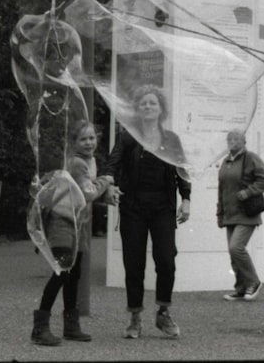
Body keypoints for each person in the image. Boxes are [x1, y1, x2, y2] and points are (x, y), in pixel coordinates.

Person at [104, 84, 190, 339]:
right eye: (143, 103)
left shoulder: (171, 139)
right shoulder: (128, 137)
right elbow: (112, 164)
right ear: (137, 109)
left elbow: (182, 171)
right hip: (133, 208)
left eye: (153, 103)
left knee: (166, 260)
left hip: (163, 207)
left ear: (161, 108)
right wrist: (108, 185)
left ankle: (163, 312)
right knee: (134, 264)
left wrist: (186, 200)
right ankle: (135, 317)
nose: (148, 106)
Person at [31, 120, 114, 346]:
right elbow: (88, 193)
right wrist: (106, 181)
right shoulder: (78, 163)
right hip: (62, 225)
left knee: (73, 275)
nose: (89, 143)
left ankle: (71, 326)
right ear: (74, 143)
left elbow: (84, 192)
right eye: (83, 139)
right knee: (63, 273)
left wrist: (105, 191)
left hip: (77, 226)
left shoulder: (89, 160)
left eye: (92, 138)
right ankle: (40, 327)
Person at [218, 129, 264, 300]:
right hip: (230, 214)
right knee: (233, 253)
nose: (232, 141)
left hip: (246, 213)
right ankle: (241, 287)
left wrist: (248, 192)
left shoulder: (251, 158)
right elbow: (222, 190)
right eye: (229, 138)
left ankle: (253, 282)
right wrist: (220, 213)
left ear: (244, 141)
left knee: (236, 248)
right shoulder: (226, 162)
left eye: (236, 138)